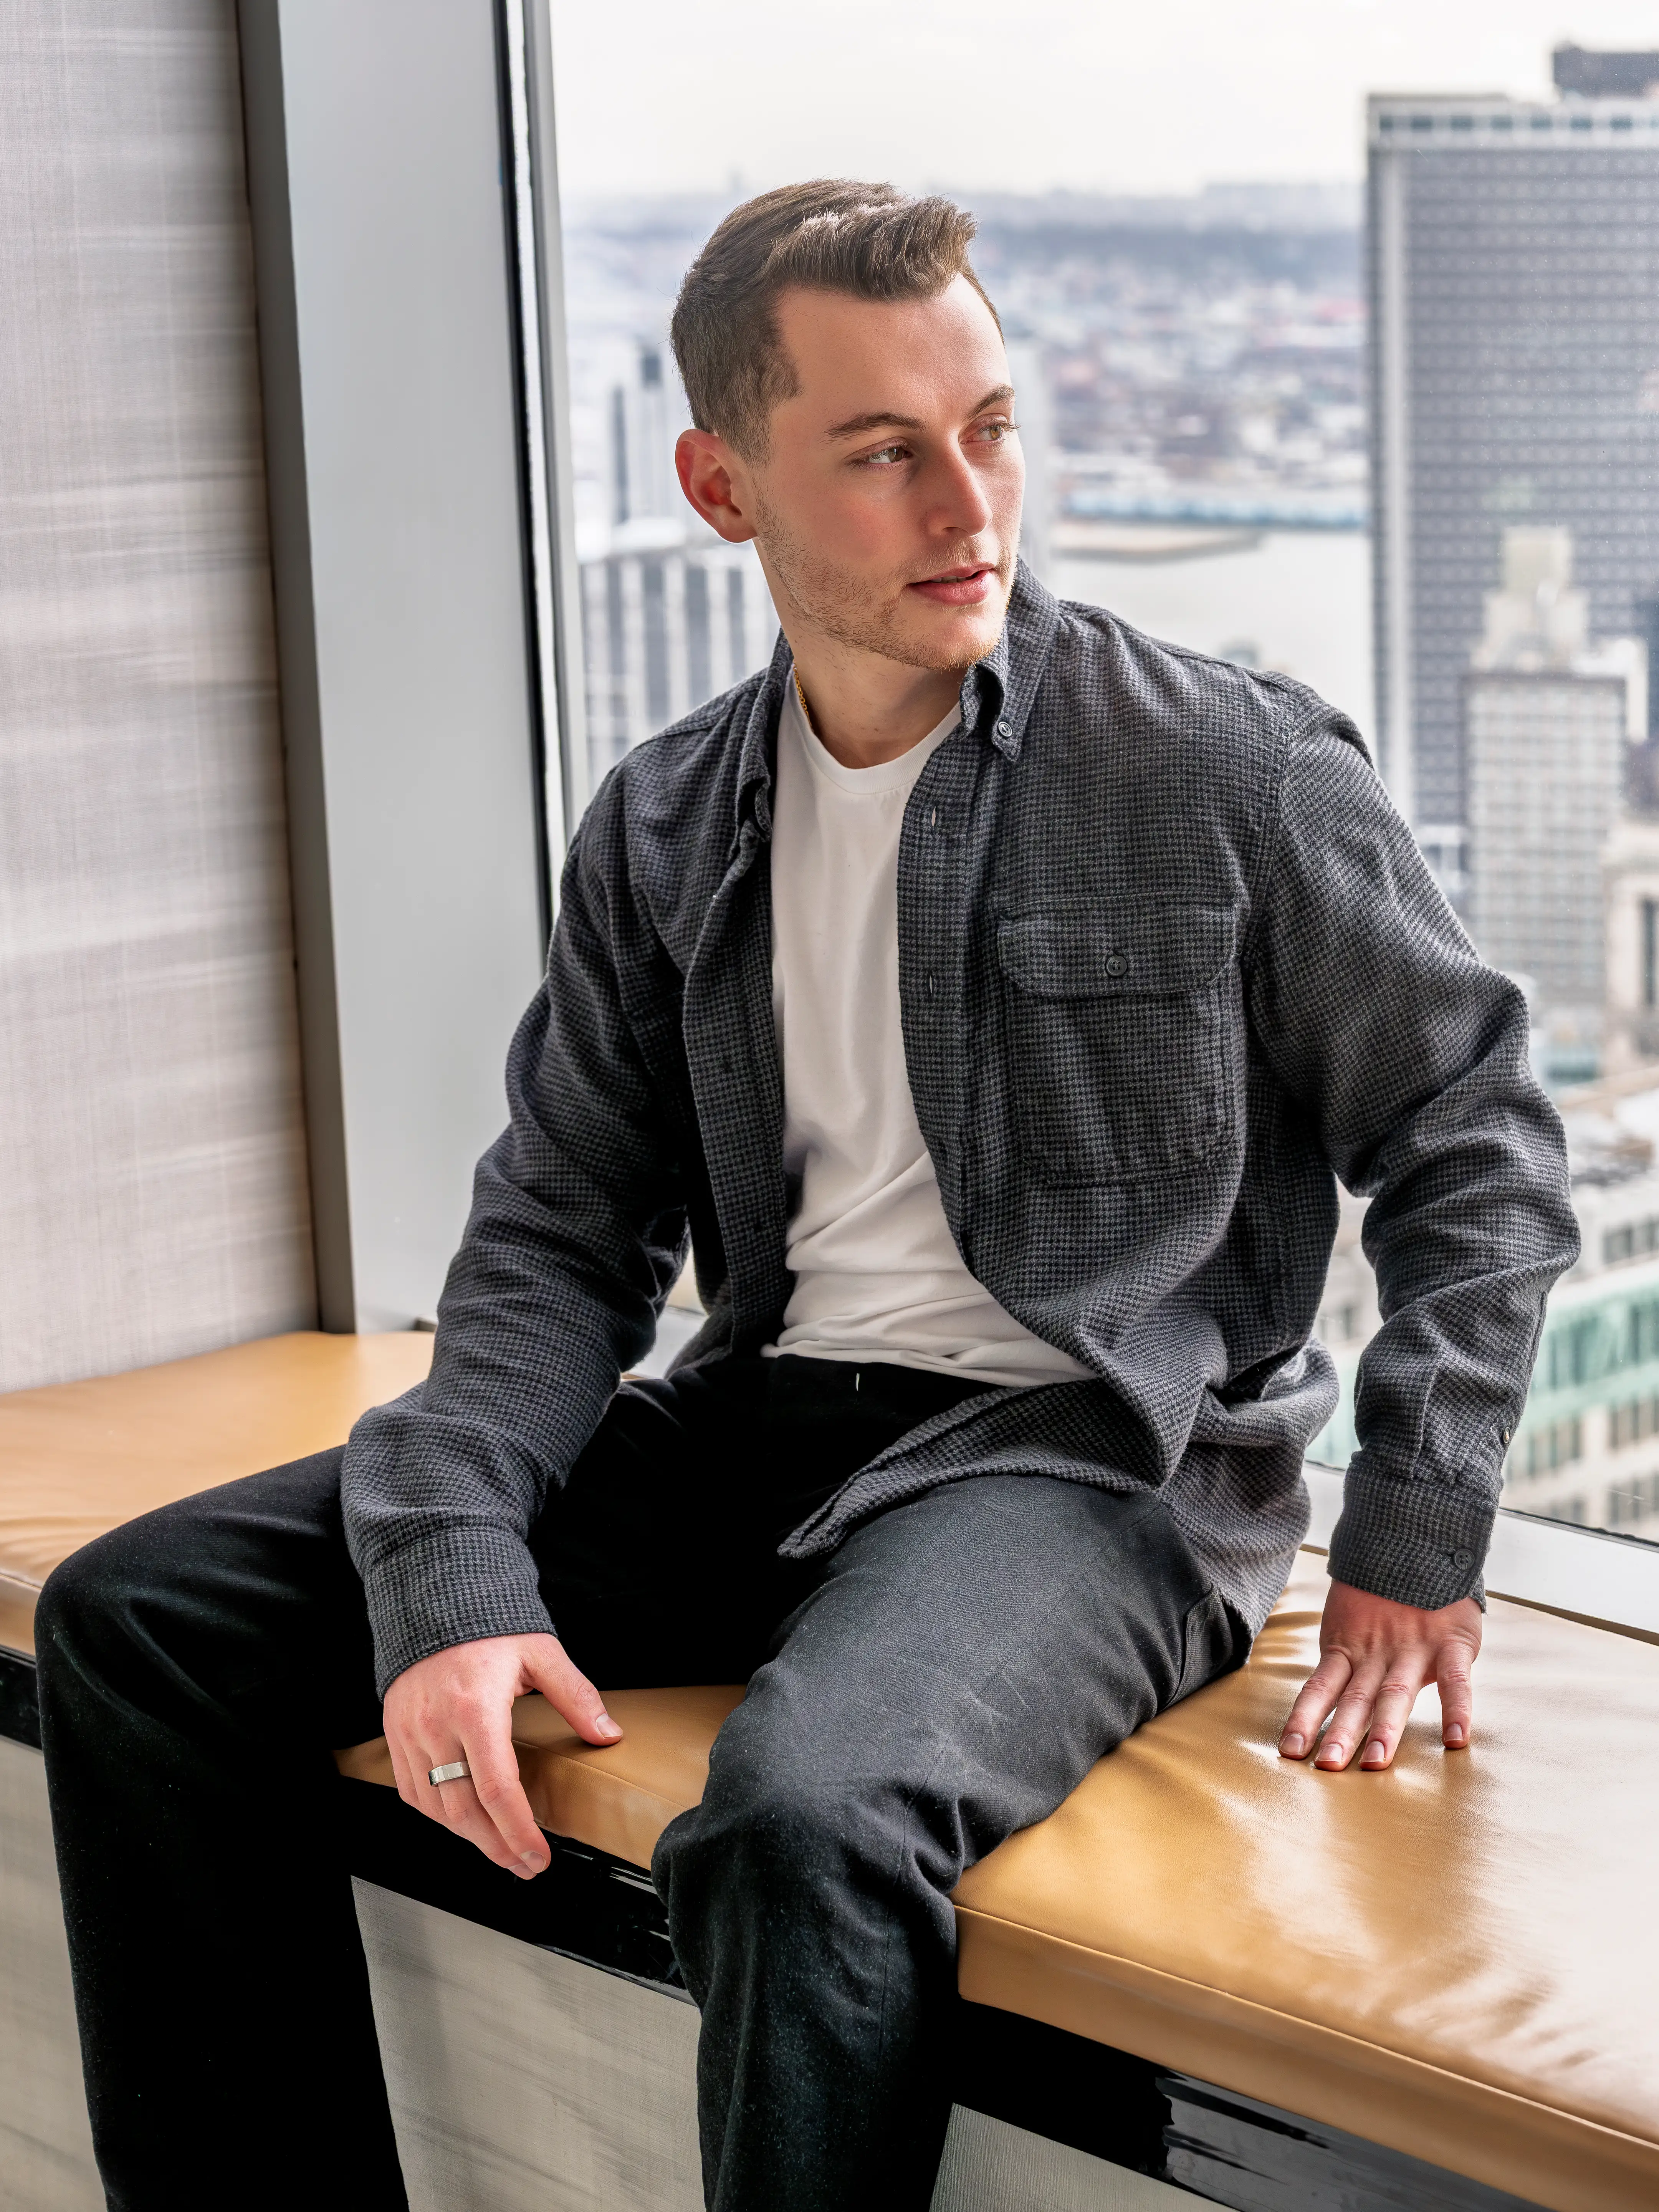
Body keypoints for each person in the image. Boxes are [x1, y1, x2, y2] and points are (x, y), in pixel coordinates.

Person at [35, 180, 1578, 2212]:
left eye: (994, 426)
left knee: (801, 1820)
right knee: (136, 1620)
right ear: (720, 482)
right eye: (884, 452)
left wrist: (1419, 1531)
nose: (972, 502)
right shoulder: (671, 820)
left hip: (1088, 1469)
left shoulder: (1221, 772)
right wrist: (456, 1572)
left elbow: (1477, 1131)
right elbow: (557, 1239)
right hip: (759, 1432)